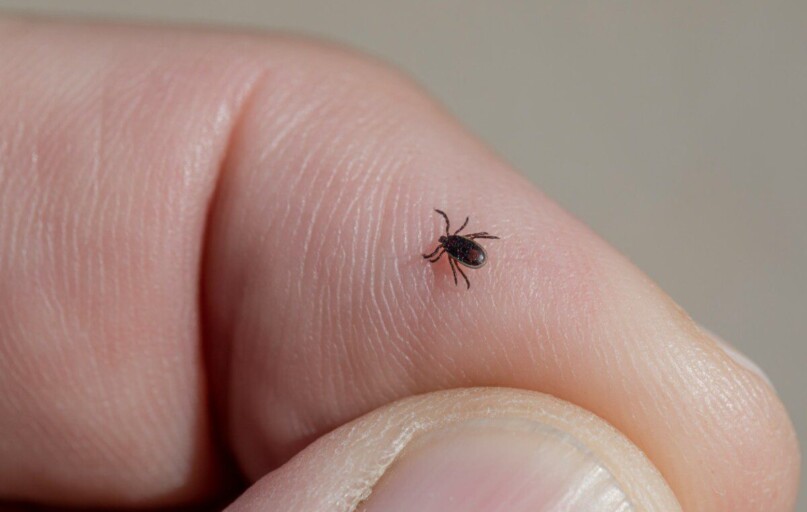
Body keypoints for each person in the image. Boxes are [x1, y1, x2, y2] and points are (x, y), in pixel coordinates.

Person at [0, 17, 799, 511]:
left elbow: (458, 245)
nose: (452, 250)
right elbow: (463, 243)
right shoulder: (455, 249)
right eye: (453, 249)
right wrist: (459, 257)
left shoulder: (450, 250)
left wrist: (454, 257)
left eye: (453, 248)